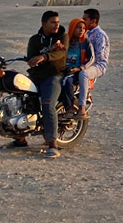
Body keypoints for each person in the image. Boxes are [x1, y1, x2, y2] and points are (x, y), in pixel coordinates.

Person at [26, 10, 67, 158]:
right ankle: (19, 138)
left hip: (54, 76)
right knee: (21, 99)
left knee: (48, 104)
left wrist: (44, 56)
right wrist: (33, 59)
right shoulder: (35, 40)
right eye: (53, 22)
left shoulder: (62, 36)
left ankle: (53, 144)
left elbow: (62, 53)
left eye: (57, 22)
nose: (57, 25)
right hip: (37, 76)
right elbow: (30, 58)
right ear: (44, 24)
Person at [60, 18, 94, 119]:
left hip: (77, 72)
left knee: (66, 81)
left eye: (83, 28)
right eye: (79, 27)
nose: (81, 30)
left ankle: (70, 107)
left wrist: (80, 68)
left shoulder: (85, 43)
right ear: (72, 28)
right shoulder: (66, 42)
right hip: (64, 70)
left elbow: (92, 58)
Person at [82, 8, 110, 95]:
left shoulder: (100, 35)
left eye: (85, 19)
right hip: (88, 62)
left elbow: (99, 56)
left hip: (98, 65)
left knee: (83, 74)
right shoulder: (89, 33)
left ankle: (82, 105)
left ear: (93, 21)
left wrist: (84, 66)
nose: (82, 21)